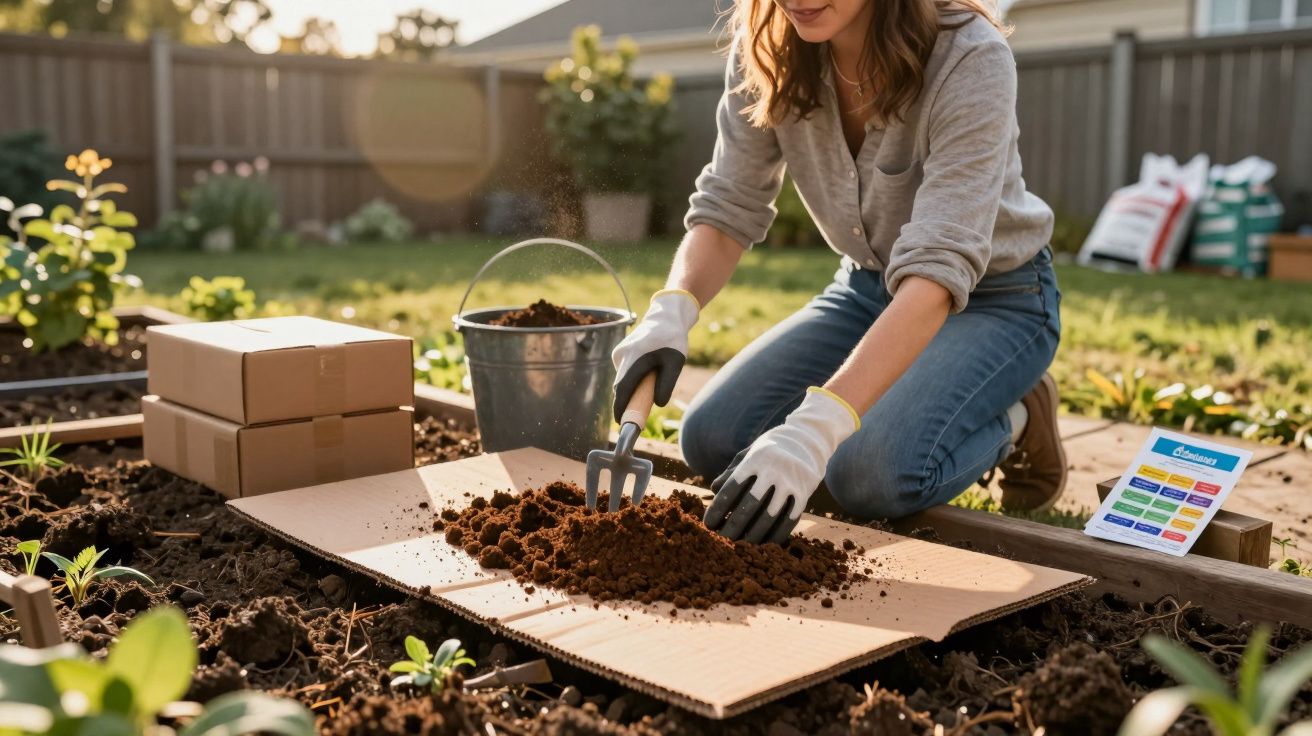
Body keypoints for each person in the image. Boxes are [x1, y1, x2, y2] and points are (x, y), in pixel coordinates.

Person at [611, 0, 1064, 544]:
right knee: (710, 438)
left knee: (867, 474)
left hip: (996, 299)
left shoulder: (969, 55)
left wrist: (814, 431)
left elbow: (939, 266)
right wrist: (672, 309)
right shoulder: (768, 47)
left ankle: (1020, 417)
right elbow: (729, 204)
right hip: (864, 289)